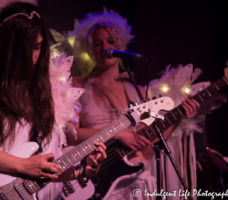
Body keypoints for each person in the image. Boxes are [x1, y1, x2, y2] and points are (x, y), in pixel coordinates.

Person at [0, 1, 107, 199]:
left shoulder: (42, 93)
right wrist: (24, 165)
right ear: (7, 46)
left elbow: (38, 170)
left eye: (38, 47)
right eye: (26, 48)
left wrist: (82, 171)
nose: (33, 56)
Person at [66, 9, 200, 199]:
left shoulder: (139, 91)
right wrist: (116, 132)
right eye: (97, 43)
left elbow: (144, 150)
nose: (104, 47)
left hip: (131, 184)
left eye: (110, 41)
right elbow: (70, 135)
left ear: (120, 44)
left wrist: (177, 119)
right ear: (90, 49)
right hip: (90, 179)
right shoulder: (78, 85)